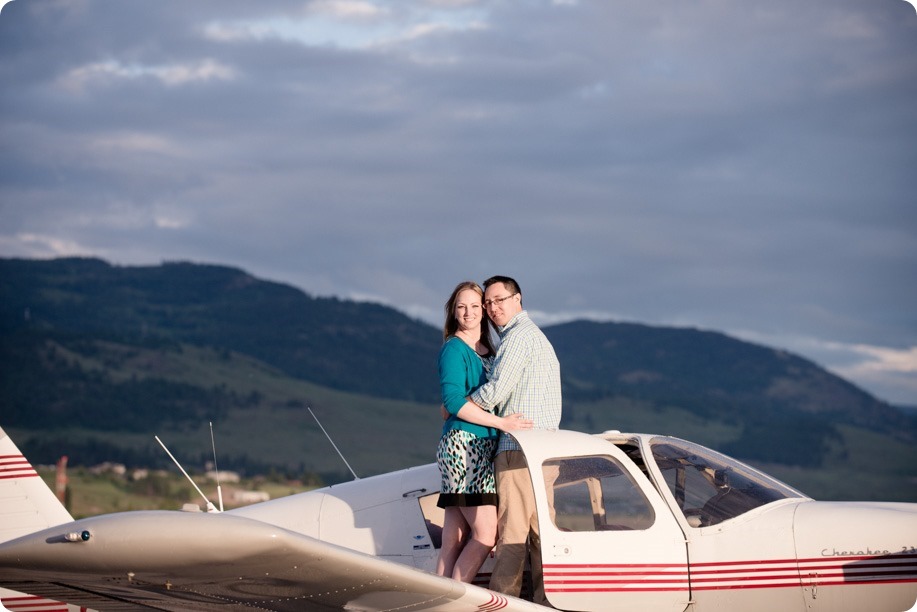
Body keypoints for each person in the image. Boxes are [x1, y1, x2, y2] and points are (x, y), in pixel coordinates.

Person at [453, 275, 562, 605]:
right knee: (542, 540)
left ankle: (501, 605)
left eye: (499, 300)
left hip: (518, 452)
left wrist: (458, 406)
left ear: (518, 299)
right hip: (544, 453)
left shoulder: (517, 340)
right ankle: (547, 604)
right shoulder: (536, 338)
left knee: (511, 538)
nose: (493, 307)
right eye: (489, 302)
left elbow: (496, 391)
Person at [435, 281, 533, 583]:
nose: (469, 312)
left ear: (484, 311)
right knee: (486, 534)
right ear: (453, 311)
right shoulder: (454, 348)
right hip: (464, 447)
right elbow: (452, 401)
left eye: (475, 306)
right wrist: (503, 424)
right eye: (461, 306)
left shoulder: (491, 351)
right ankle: (456, 601)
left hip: (481, 446)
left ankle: (437, 601)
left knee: (455, 539)